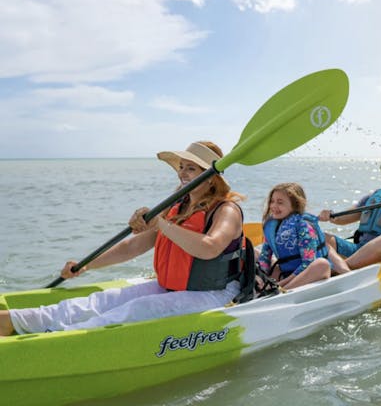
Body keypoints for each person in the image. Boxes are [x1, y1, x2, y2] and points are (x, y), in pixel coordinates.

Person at [0, 141, 246, 336]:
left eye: (190, 168)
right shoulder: (177, 207)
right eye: (181, 167)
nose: (182, 172)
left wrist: (160, 223)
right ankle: (18, 320)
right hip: (171, 287)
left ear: (210, 175)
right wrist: (87, 265)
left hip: (214, 293)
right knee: (102, 301)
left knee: (138, 309)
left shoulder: (226, 210)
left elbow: (209, 249)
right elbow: (134, 246)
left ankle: (54, 338)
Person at [257, 183, 349, 290]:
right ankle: (265, 291)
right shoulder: (270, 226)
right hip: (287, 275)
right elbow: (264, 259)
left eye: (280, 202)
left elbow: (308, 263)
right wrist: (260, 278)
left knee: (322, 264)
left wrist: (281, 284)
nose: (273, 206)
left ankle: (281, 291)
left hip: (310, 274)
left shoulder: (303, 225)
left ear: (295, 204)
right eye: (272, 201)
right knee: (264, 261)